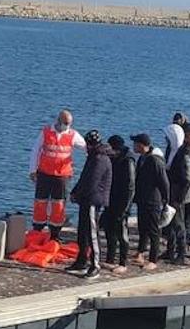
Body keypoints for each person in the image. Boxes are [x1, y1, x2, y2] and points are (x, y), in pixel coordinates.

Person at [29, 110, 87, 239]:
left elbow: (86, 147)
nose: (67, 126)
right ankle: (37, 230)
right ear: (58, 121)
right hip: (44, 173)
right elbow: (35, 150)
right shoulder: (46, 132)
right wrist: (32, 170)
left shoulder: (73, 135)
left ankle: (55, 233)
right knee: (40, 202)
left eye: (69, 123)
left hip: (62, 176)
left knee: (59, 204)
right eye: (65, 123)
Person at [66, 130, 111, 278]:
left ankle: (95, 264)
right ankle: (81, 260)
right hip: (86, 198)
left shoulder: (100, 159)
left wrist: (79, 195)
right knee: (82, 232)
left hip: (93, 199)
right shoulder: (92, 157)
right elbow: (84, 178)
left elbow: (92, 182)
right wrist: (75, 192)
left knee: (92, 233)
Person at [131, 133, 169, 271]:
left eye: (135, 144)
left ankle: (153, 259)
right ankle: (140, 252)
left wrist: (166, 201)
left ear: (141, 145)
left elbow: (164, 182)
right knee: (142, 228)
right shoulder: (142, 158)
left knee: (154, 230)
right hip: (142, 199)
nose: (133, 146)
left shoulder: (155, 160)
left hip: (153, 200)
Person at [101, 135, 136, 274]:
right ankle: (110, 259)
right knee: (109, 230)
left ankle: (123, 262)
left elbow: (130, 187)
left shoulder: (128, 161)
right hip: (111, 200)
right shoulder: (113, 158)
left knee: (122, 232)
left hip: (122, 203)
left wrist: (125, 208)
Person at [164, 124, 190, 265]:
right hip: (171, 192)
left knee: (179, 224)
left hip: (178, 195)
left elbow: (188, 179)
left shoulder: (183, 154)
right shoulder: (172, 151)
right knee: (170, 223)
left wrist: (180, 198)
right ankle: (170, 250)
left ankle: (181, 253)